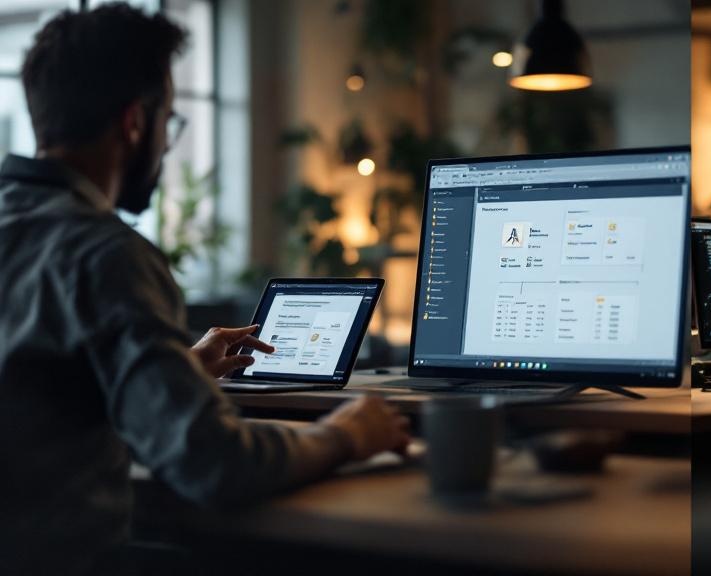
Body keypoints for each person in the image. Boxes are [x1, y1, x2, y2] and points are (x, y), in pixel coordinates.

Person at [0, 5, 409, 574]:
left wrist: (180, 368)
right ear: (135, 123)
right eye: (169, 121)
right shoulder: (104, 253)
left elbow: (37, 392)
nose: (167, 145)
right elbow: (215, 465)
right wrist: (343, 435)